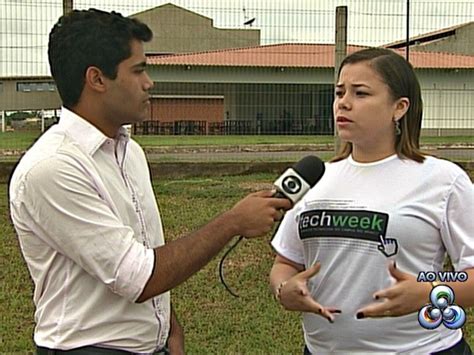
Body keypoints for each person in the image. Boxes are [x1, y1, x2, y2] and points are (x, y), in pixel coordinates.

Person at [9, 9, 292, 354]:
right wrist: (232, 222)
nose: (149, 82)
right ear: (97, 79)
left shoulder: (129, 152)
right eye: (139, 69)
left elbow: (140, 248)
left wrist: (167, 327)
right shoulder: (54, 168)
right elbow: (139, 277)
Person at [270, 47, 473, 354]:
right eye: (339, 92)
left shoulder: (443, 180)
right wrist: (285, 289)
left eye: (361, 93)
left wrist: (428, 292)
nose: (344, 103)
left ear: (399, 107)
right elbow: (285, 262)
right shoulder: (315, 178)